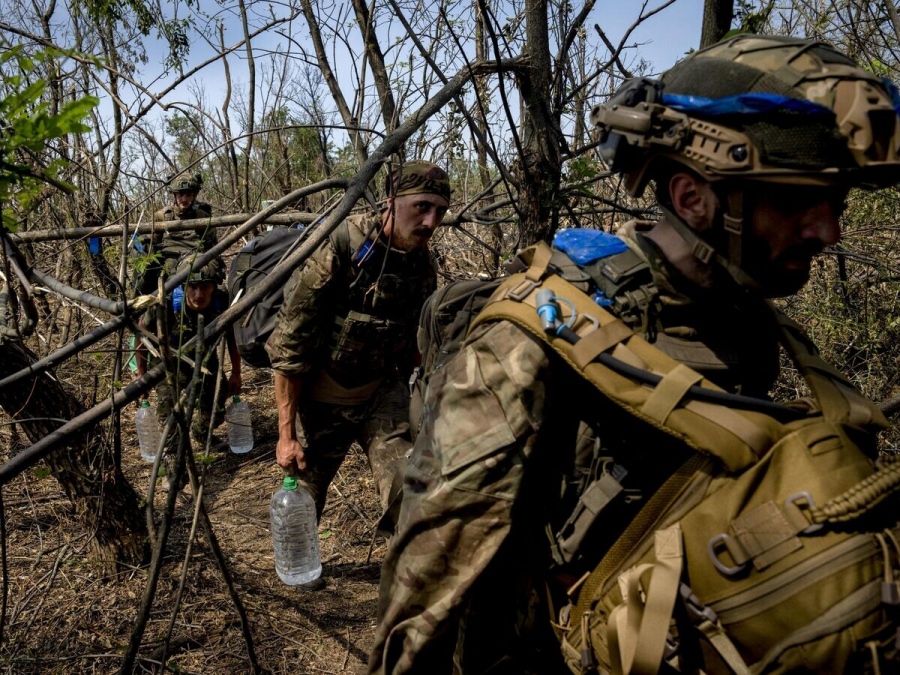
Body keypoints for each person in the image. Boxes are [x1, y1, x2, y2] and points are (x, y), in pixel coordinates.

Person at [370, 36, 900, 674]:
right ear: (692, 198)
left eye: (836, 201)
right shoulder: (534, 337)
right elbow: (429, 579)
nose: (828, 231)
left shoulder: (744, 310)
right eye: (793, 201)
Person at [265, 159, 451, 582]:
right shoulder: (341, 247)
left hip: (381, 393)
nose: (430, 221)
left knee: (409, 481)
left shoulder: (423, 264)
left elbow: (419, 344)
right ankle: (296, 569)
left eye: (439, 212)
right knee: (305, 492)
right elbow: (290, 343)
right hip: (324, 395)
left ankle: (416, 579)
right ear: (391, 202)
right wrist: (286, 433)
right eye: (421, 206)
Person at [136, 258, 241, 483]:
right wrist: (141, 375)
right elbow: (141, 333)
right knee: (170, 419)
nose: (198, 293)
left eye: (205, 286)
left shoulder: (221, 302)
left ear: (214, 286)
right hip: (168, 368)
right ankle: (175, 471)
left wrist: (236, 372)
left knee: (215, 406)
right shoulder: (162, 305)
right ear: (183, 286)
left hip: (206, 362)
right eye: (192, 286)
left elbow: (232, 335)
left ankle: (201, 433)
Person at [134, 171, 220, 296]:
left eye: (189, 194)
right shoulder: (161, 216)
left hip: (197, 262)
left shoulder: (203, 216)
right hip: (169, 264)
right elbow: (152, 245)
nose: (184, 199)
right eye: (180, 194)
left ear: (194, 195)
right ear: (174, 195)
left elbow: (211, 246)